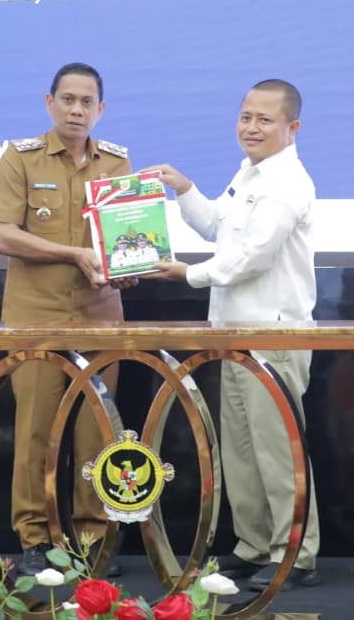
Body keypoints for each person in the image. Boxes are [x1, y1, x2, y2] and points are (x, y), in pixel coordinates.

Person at [144, 78, 321, 591]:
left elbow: (252, 257)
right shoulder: (250, 173)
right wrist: (184, 189)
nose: (251, 127)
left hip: (274, 336)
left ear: (292, 128)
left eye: (265, 119)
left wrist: (188, 275)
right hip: (234, 333)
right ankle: (255, 545)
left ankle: (295, 554)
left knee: (277, 450)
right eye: (246, 117)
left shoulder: (288, 182)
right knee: (242, 451)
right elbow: (216, 228)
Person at [0, 62, 135, 577]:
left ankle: (93, 540)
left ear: (101, 109)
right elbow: (3, 235)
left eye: (86, 102)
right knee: (37, 433)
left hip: (100, 318)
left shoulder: (117, 162)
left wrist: (127, 268)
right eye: (68, 99)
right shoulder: (20, 158)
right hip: (36, 318)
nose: (77, 110)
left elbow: (126, 238)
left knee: (99, 434)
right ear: (49, 102)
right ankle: (36, 540)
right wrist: (74, 254)